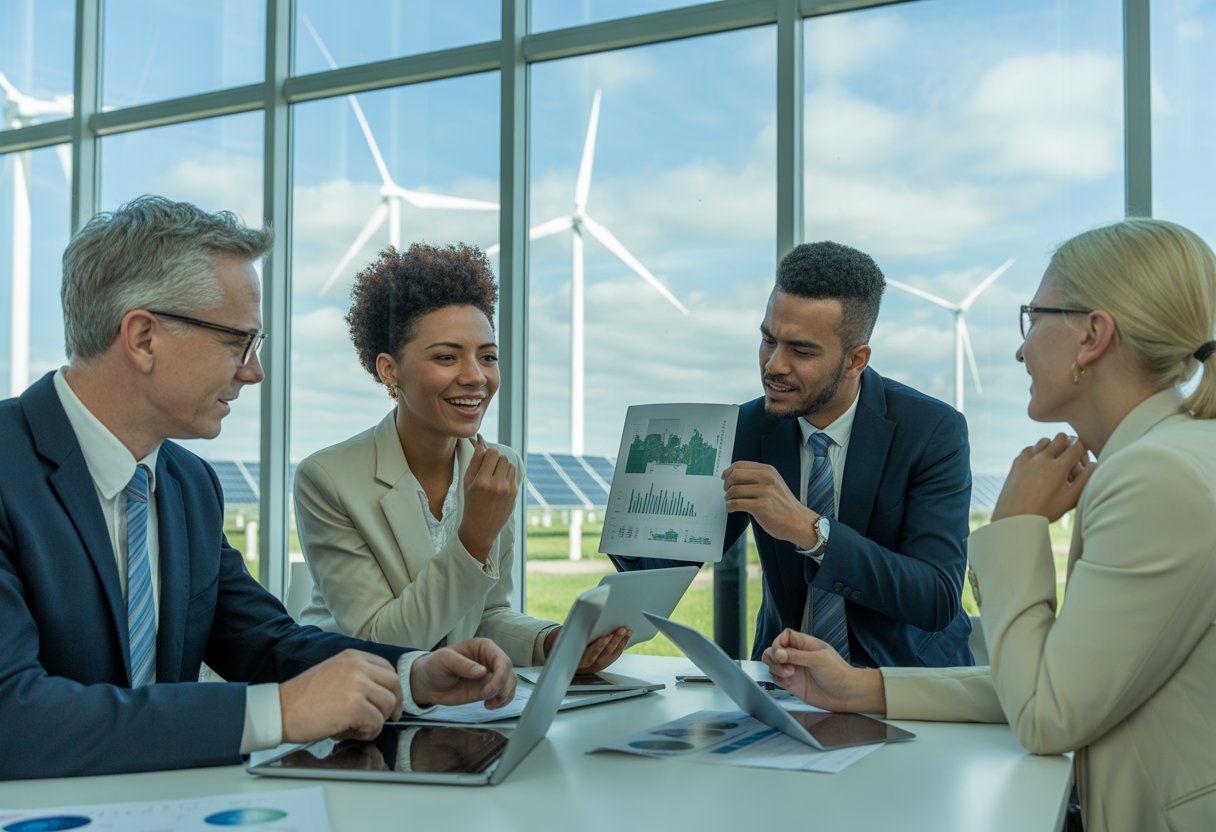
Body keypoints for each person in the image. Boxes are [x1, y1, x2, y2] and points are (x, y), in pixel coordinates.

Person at [0, 197, 516, 782]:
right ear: (143, 337)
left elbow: (264, 644)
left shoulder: (187, 485)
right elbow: (12, 717)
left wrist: (411, 673)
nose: (254, 371)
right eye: (237, 342)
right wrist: (282, 711)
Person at [763, 219, 1216, 832]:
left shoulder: (1157, 478)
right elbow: (1063, 675)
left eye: (1033, 318)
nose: (1021, 349)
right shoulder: (1168, 458)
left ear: (1093, 336)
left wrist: (1016, 525)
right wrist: (857, 689)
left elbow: (1046, 712)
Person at [613, 241, 973, 667]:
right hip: (784, 677)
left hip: (905, 681)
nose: (774, 365)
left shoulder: (932, 430)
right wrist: (634, 517)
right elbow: (663, 567)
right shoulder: (744, 428)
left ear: (855, 359)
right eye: (768, 340)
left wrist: (811, 531)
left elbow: (935, 597)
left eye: (801, 351)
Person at [294, 243, 628, 671]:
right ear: (389, 371)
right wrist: (473, 538)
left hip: (457, 704)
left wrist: (551, 643)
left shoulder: (499, 469)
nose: (475, 377)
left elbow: (482, 617)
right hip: (358, 700)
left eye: (487, 357)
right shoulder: (327, 478)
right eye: (447, 357)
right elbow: (382, 643)